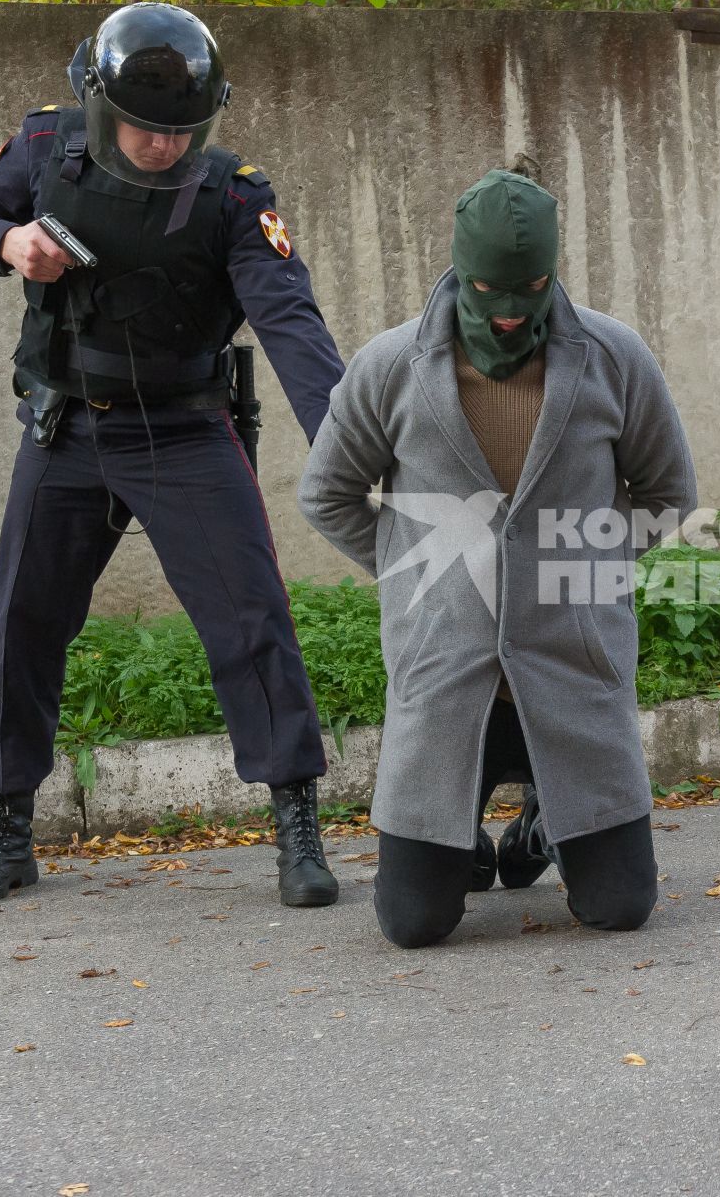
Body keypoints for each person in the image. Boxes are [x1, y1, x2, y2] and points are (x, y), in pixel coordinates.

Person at [0, 2, 346, 910]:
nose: (161, 146)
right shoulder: (47, 147)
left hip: (187, 433)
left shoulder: (236, 193)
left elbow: (291, 324)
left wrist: (348, 443)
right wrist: (9, 242)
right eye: (142, 127)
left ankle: (298, 831)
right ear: (96, 101)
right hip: (68, 430)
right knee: (24, 625)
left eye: (179, 132)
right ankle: (9, 831)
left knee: (252, 622)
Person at [297, 170, 698, 947]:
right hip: (448, 678)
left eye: (532, 288)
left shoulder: (614, 357)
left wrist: (584, 574)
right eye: (488, 289)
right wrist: (420, 575)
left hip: (572, 671)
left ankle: (550, 817)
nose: (510, 314)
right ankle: (463, 837)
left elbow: (666, 490)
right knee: (413, 925)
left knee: (620, 910)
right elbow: (328, 495)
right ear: (457, 268)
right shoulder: (390, 366)